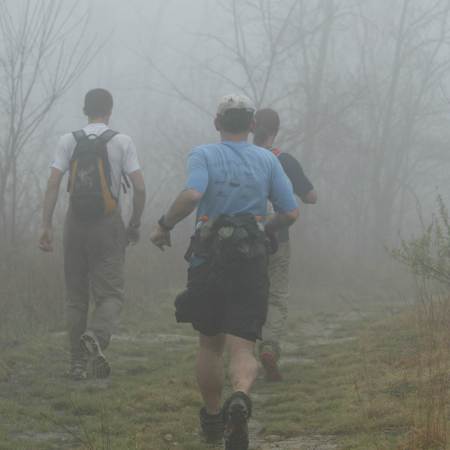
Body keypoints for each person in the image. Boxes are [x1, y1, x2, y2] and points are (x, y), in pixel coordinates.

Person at [150, 94, 299, 450]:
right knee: (244, 347)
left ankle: (215, 417)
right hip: (250, 262)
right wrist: (266, 229)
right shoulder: (267, 160)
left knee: (210, 343)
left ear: (217, 123)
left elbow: (190, 196)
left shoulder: (203, 154)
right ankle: (241, 397)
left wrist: (164, 225)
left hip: (208, 260)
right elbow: (291, 212)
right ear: (251, 125)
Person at [39, 88, 146, 380]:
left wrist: (46, 225)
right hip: (108, 225)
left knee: (75, 297)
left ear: (85, 110)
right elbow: (139, 187)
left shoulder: (68, 140)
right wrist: (134, 224)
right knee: (110, 294)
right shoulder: (122, 142)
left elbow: (53, 184)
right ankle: (96, 338)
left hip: (74, 223)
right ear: (109, 110)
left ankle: (76, 364)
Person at [253, 108, 317, 382]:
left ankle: (242, 353)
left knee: (249, 294)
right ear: (276, 131)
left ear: (253, 126)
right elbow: (311, 197)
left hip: (242, 239)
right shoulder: (284, 161)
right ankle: (269, 347)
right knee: (276, 296)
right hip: (277, 238)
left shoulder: (240, 157)